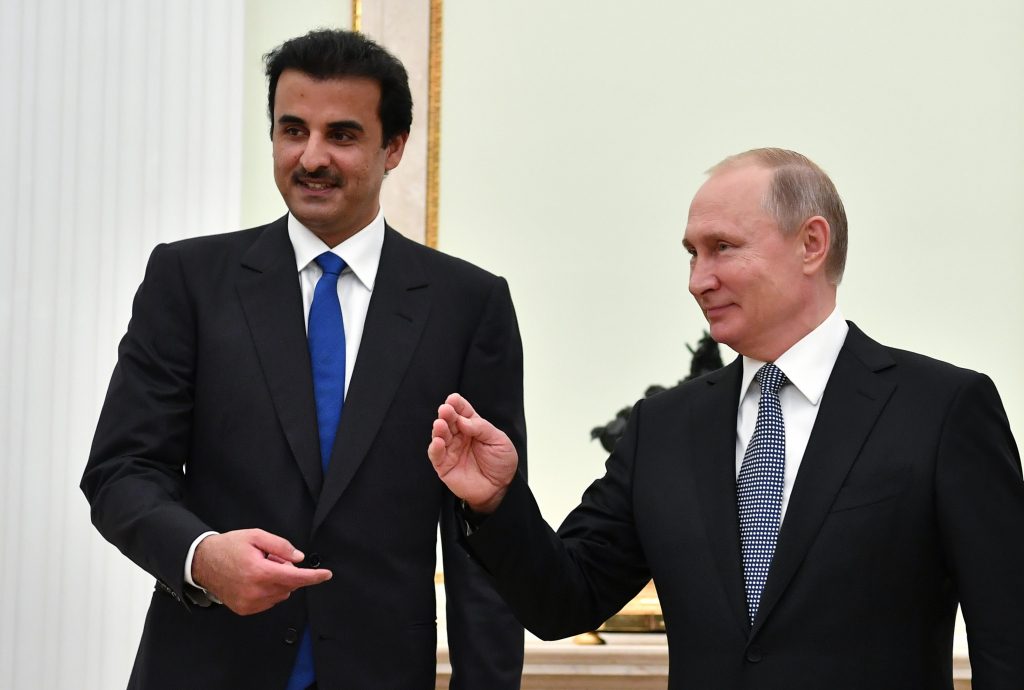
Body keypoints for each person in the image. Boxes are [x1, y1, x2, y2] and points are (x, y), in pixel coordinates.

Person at [428, 148, 1024, 689]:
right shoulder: (661, 427)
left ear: (811, 243)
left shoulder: (942, 409)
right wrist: (497, 502)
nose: (698, 280)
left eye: (723, 248)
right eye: (692, 253)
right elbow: (565, 602)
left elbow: (1008, 636)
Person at [82, 29, 526, 689]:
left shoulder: (467, 305)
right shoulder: (188, 280)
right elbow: (121, 471)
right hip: (206, 666)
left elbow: (485, 530)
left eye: (342, 135)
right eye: (293, 130)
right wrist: (202, 557)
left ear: (394, 147)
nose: (311, 157)